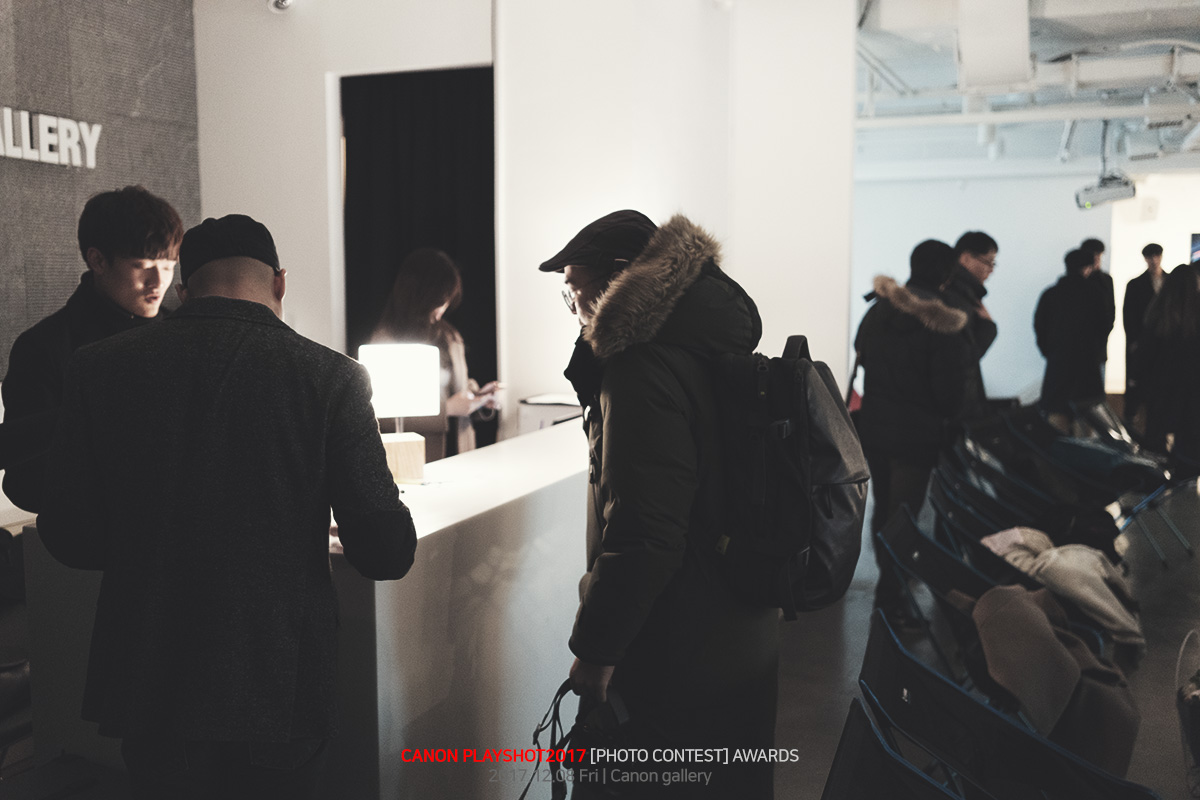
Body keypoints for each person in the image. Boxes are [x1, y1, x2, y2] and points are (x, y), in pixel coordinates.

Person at [36, 214, 418, 799]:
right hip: (280, 680)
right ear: (280, 282)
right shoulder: (332, 377)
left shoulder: (99, 367)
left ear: (186, 291)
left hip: (152, 677)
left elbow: (67, 533)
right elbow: (385, 551)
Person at [542, 210, 777, 798]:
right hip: (732, 621)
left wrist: (597, 651)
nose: (575, 309)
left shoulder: (640, 365)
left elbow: (645, 531)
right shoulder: (701, 340)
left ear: (619, 276)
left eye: (575, 291)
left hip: (673, 635)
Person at [1, 185, 182, 512]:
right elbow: (23, 482)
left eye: (168, 267)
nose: (159, 282)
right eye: (142, 265)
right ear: (97, 260)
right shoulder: (43, 347)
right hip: (93, 535)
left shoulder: (185, 334)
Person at [854, 240, 971, 623]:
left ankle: (891, 589)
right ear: (947, 275)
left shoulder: (879, 309)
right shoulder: (942, 322)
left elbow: (861, 351)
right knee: (904, 516)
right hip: (917, 437)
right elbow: (949, 396)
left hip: (875, 428)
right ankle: (891, 600)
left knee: (885, 510)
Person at [372, 247, 499, 460]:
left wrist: (478, 396)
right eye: (442, 296)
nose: (445, 304)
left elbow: (456, 385)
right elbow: (384, 417)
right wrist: (447, 409)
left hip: (461, 450)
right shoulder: (387, 341)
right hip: (421, 454)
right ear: (421, 293)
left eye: (448, 296)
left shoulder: (450, 335)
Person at [1034, 249, 1114, 426]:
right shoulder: (1096, 294)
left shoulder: (1050, 294)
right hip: (1088, 363)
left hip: (1059, 362)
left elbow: (1040, 326)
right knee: (1087, 416)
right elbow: (1105, 325)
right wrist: (1096, 351)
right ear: (1087, 268)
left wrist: (1049, 352)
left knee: (1057, 413)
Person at [1139, 262, 1200, 470]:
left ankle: (1159, 482)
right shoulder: (1196, 314)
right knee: (1189, 447)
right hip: (1192, 391)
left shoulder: (1157, 310)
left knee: (1157, 446)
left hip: (1161, 388)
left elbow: (1145, 354)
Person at [945, 231, 999, 419]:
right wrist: (988, 328)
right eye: (988, 262)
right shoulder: (958, 298)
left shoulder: (960, 293)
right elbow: (963, 358)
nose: (991, 270)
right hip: (957, 406)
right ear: (966, 258)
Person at [1122, 243, 1167, 429]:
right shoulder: (1136, 285)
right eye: (1150, 257)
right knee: (1139, 386)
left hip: (1162, 343)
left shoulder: (1169, 282)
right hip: (1144, 342)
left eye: (1156, 256)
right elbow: (1129, 316)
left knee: (1155, 386)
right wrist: (1134, 341)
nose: (1153, 260)